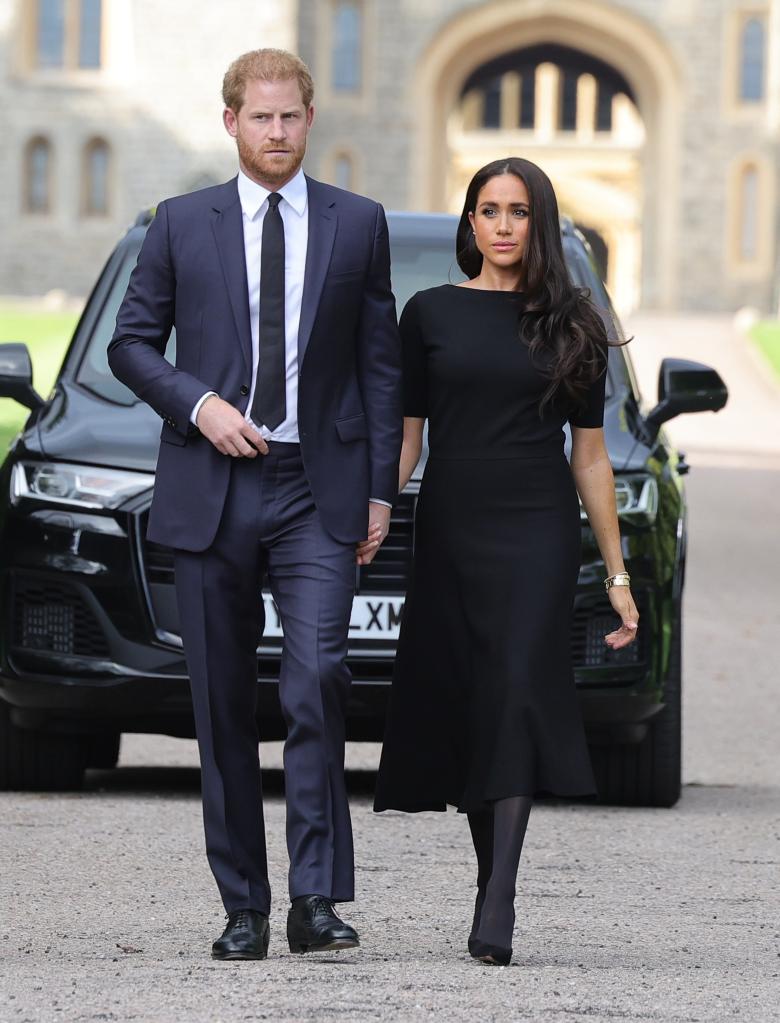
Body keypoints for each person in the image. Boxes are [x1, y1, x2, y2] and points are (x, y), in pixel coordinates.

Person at [109, 49, 402, 961]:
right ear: (230, 121)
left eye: (291, 117)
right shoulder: (178, 224)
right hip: (212, 485)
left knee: (317, 679)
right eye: (260, 117)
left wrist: (382, 487)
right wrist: (199, 405)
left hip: (318, 487)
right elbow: (130, 344)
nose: (277, 133)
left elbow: (379, 365)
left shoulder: (359, 224)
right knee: (222, 701)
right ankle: (244, 903)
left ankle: (316, 900)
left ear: (311, 120)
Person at [373, 157, 639, 966]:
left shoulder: (574, 322)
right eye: (487, 209)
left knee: (520, 689)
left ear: (539, 223)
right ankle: (493, 880)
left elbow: (590, 458)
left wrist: (618, 577)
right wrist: (375, 510)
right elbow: (408, 437)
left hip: (536, 528)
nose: (500, 225)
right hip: (452, 522)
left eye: (517, 211)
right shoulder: (428, 314)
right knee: (474, 701)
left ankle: (499, 898)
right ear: (470, 222)